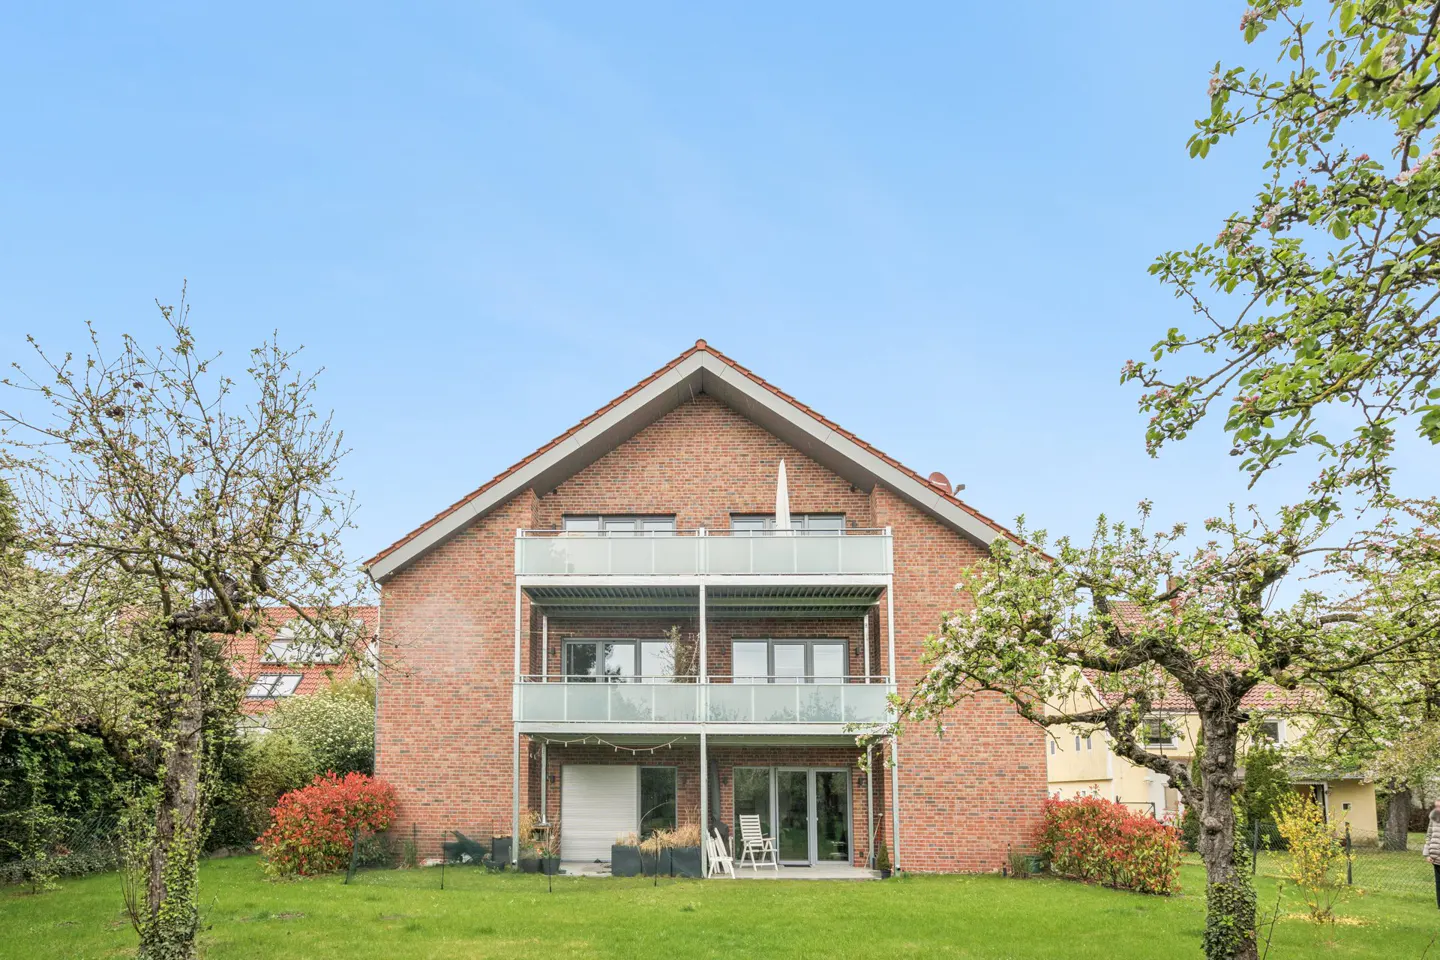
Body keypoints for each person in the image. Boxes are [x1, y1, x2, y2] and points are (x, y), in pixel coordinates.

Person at [1427, 798, 1440, 910]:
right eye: (1436, 807)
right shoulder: (1433, 819)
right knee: (1438, 883)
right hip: (1435, 857)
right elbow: (1429, 836)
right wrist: (1428, 854)